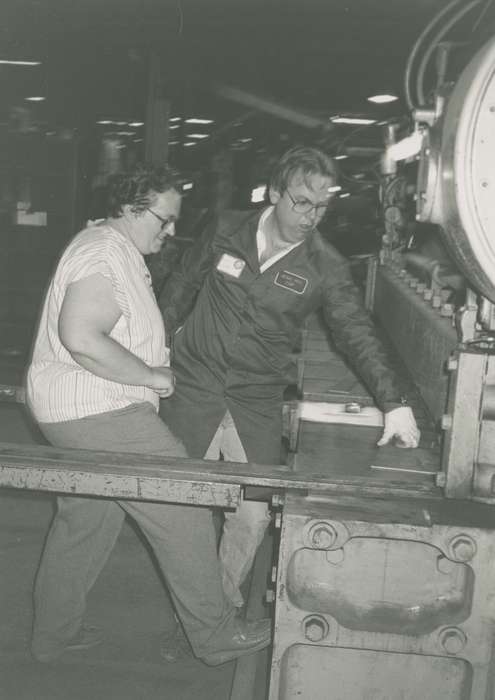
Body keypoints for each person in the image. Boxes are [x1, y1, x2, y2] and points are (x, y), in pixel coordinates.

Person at [26, 163, 270, 666]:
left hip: (72, 411)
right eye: (164, 219)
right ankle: (216, 635)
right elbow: (81, 336)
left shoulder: (115, 250)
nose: (172, 230)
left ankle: (54, 634)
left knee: (87, 522)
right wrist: (153, 378)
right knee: (183, 506)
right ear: (133, 210)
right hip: (103, 412)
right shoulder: (102, 251)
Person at [159, 146, 421, 608]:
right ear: (274, 193)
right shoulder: (225, 228)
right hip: (192, 388)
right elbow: (182, 284)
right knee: (179, 507)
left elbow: (355, 331)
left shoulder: (326, 266)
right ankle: (190, 597)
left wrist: (393, 403)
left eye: (321, 205)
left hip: (254, 404)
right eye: (301, 201)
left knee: (254, 515)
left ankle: (211, 607)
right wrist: (154, 346)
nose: (311, 216)